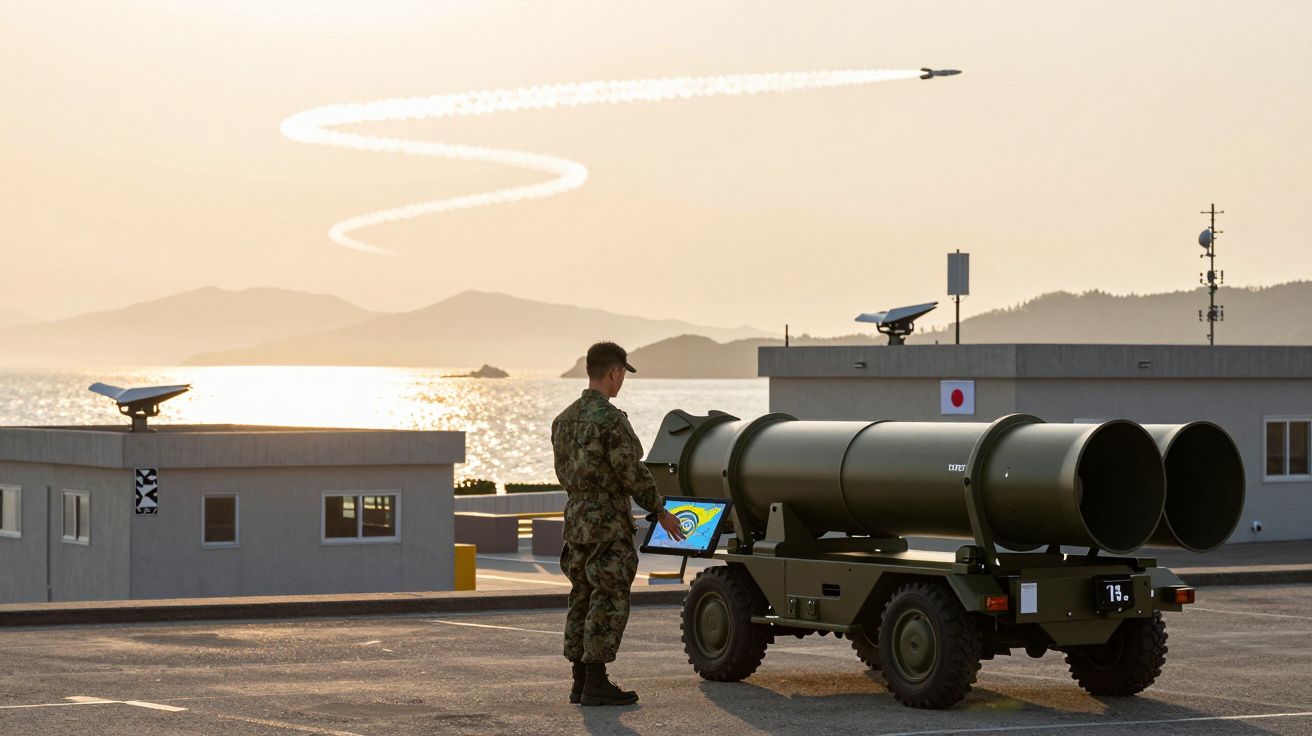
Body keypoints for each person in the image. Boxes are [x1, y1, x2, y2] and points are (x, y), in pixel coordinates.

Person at [552, 341, 686, 707]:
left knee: (580, 595)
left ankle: (579, 681)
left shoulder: (563, 419)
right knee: (608, 597)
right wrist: (659, 509)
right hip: (608, 524)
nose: (622, 381)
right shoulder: (611, 420)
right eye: (623, 374)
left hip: (576, 518)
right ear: (614, 372)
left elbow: (563, 473)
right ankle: (596, 681)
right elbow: (632, 472)